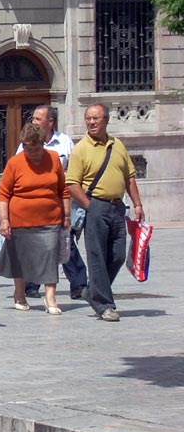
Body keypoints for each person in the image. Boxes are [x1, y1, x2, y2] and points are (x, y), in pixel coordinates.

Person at [66, 103, 145, 323]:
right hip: (96, 206)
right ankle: (104, 305)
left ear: (106, 120)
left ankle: (92, 292)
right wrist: (90, 207)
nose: (91, 122)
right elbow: (72, 184)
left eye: (95, 118)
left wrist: (137, 204)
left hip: (118, 207)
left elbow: (129, 176)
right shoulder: (81, 148)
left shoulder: (117, 145)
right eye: (88, 119)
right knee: (97, 257)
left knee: (118, 255)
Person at [0, 123, 70, 315]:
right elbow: (3, 194)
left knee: (50, 257)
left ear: (44, 144)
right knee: (21, 259)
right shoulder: (15, 163)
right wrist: (4, 220)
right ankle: (20, 294)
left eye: (37, 148)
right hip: (20, 220)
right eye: (29, 149)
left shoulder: (53, 159)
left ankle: (50, 297)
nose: (33, 153)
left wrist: (66, 215)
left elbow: (63, 190)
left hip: (50, 219)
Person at [17, 105, 85, 300]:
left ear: (50, 122)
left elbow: (74, 171)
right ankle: (31, 284)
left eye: (38, 119)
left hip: (58, 201)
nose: (34, 122)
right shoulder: (24, 145)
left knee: (65, 242)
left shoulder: (65, 143)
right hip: (33, 203)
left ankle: (79, 284)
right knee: (36, 243)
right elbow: (16, 169)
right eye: (34, 118)